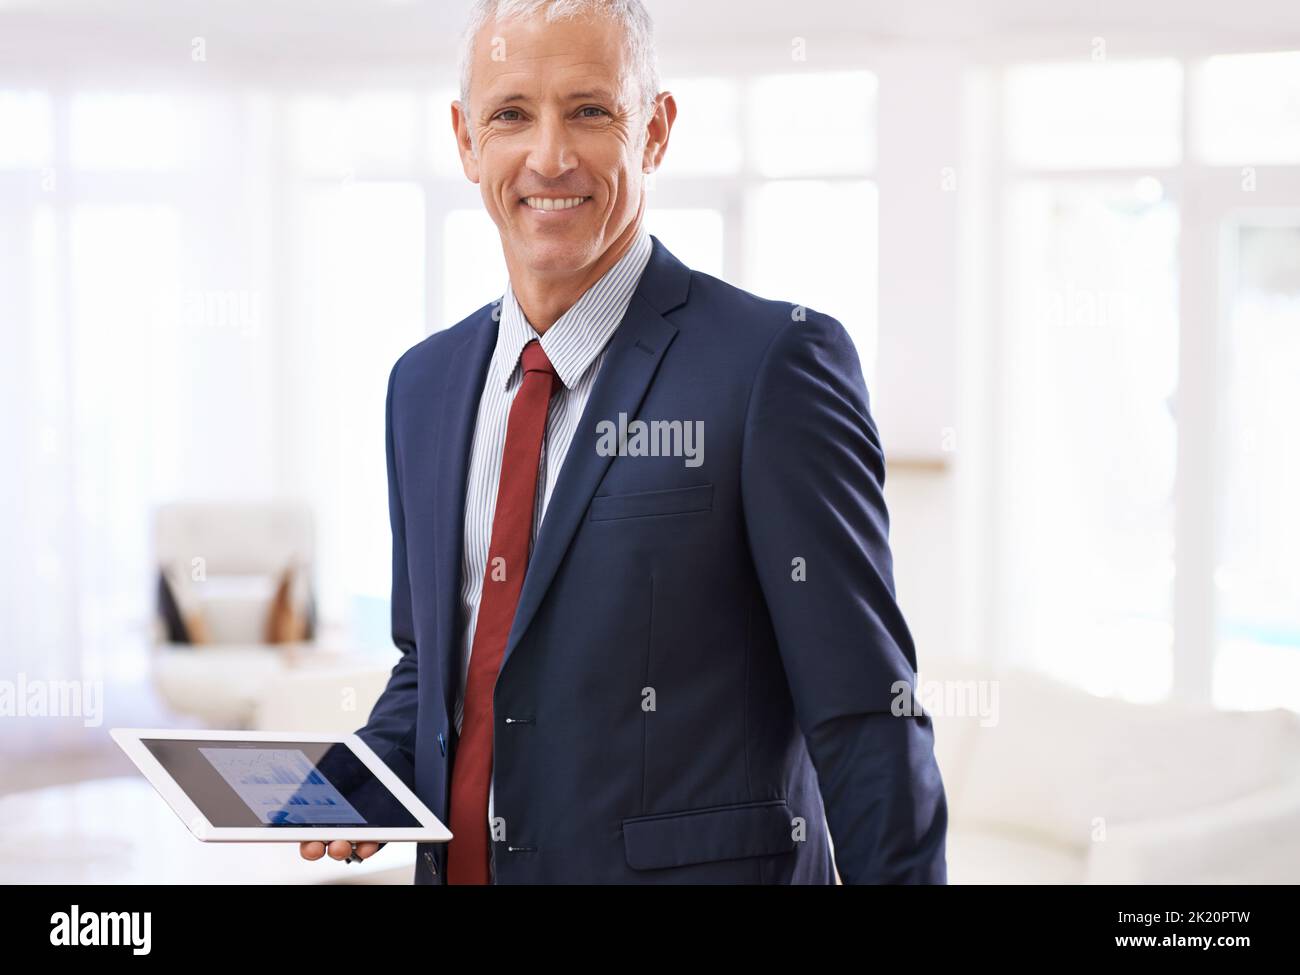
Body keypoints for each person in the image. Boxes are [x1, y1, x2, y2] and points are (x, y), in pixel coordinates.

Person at [302, 0, 947, 884]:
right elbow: (435, 667)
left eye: (590, 110)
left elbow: (866, 715)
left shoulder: (772, 367)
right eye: (510, 114)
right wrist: (369, 774)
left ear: (655, 131)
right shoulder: (422, 386)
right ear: (464, 140)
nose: (549, 156)